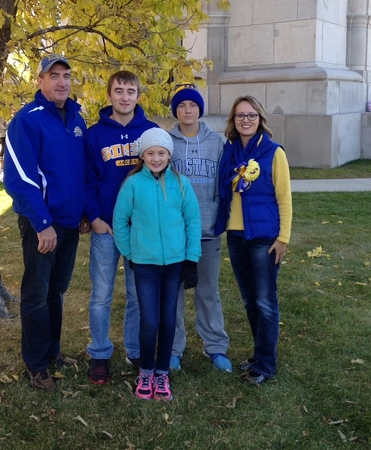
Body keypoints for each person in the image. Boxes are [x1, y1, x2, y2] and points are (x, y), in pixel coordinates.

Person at [4, 54, 89, 391]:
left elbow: (79, 170)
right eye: (53, 75)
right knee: (37, 294)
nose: (62, 82)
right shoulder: (27, 120)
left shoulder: (78, 118)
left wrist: (83, 210)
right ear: (40, 80)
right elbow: (20, 178)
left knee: (57, 291)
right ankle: (36, 365)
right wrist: (42, 223)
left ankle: (53, 351)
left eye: (66, 75)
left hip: (69, 223)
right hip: (43, 225)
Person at [113, 128, 202, 400]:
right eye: (150, 153)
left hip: (175, 264)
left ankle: (162, 373)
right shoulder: (133, 185)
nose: (155, 158)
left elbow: (192, 221)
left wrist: (191, 259)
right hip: (145, 265)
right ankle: (146, 371)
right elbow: (120, 222)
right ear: (143, 155)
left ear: (168, 155)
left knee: (167, 319)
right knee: (149, 320)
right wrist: (131, 253)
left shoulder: (181, 184)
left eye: (161, 153)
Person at [85, 71, 158, 385]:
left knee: (137, 295)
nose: (125, 96)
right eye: (119, 90)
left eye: (131, 91)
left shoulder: (152, 132)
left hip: (139, 229)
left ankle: (134, 349)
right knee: (101, 295)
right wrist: (95, 217)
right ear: (109, 95)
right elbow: (86, 180)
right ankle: (99, 353)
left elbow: (161, 178)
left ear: (138, 95)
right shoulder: (94, 135)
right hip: (106, 227)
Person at [215, 95, 292, 385]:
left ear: (260, 119)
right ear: (233, 121)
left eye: (251, 115)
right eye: (239, 116)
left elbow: (284, 199)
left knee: (266, 302)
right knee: (249, 300)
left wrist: (283, 238)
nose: (245, 120)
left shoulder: (274, 152)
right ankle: (260, 354)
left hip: (264, 238)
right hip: (236, 236)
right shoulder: (230, 152)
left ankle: (266, 364)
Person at [168, 82, 232, 372]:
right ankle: (173, 348)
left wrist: (220, 219)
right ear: (176, 111)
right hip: (174, 234)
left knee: (208, 292)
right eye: (182, 105)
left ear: (200, 109)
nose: (188, 110)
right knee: (174, 292)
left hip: (207, 232)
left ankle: (215, 347)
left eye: (192, 105)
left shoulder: (216, 142)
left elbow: (223, 185)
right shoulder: (167, 142)